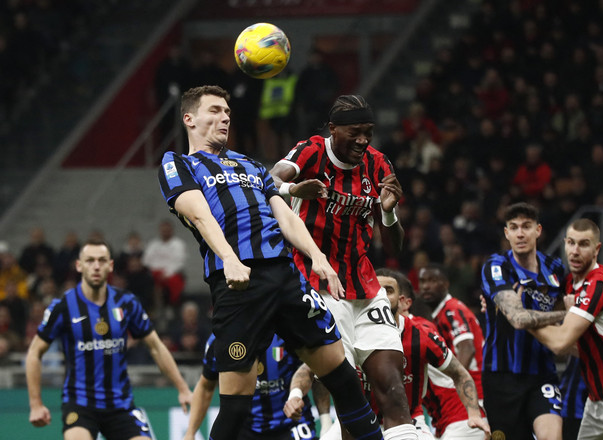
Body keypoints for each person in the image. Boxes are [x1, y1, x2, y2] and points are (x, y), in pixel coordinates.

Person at [158, 85, 382, 440]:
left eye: (227, 111)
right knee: (236, 407)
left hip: (286, 277)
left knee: (344, 379)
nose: (225, 117)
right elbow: (199, 215)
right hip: (238, 285)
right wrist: (229, 258)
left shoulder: (251, 164)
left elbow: (285, 216)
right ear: (189, 119)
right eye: (214, 110)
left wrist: (318, 257)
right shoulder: (179, 164)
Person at [270, 95, 416, 439]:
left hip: (365, 287)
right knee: (351, 394)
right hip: (317, 284)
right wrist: (294, 189)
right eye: (355, 132)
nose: (363, 140)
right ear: (333, 129)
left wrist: (389, 212)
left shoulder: (379, 165)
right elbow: (269, 181)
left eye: (368, 132)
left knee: (393, 389)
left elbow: (394, 247)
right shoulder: (310, 151)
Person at [25, 239, 192, 440]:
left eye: (102, 260)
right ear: (79, 265)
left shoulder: (127, 302)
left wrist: (183, 388)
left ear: (110, 265)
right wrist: (35, 404)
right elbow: (35, 352)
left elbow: (156, 346)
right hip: (80, 404)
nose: (96, 266)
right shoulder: (63, 307)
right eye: (90, 261)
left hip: (120, 405)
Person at [528, 218, 603, 439]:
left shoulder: (598, 285)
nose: (575, 251)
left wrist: (523, 320)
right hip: (596, 400)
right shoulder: (572, 283)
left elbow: (560, 344)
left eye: (583, 244)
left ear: (597, 249)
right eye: (571, 243)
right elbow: (577, 347)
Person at [479, 202, 567, 440]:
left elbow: (564, 323)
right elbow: (518, 319)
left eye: (526, 226)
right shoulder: (496, 266)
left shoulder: (556, 269)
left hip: (542, 372)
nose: (520, 233)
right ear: (506, 233)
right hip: (500, 376)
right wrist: (566, 313)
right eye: (514, 227)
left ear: (538, 230)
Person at [378, 268, 490, 440]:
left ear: (403, 302)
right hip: (441, 419)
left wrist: (473, 410)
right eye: (422, 282)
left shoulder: (425, 330)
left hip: (458, 413)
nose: (426, 287)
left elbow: (464, 357)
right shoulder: (365, 332)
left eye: (389, 292)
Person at [184, 333, 325, 440]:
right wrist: (190, 433)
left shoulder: (290, 330)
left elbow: (313, 372)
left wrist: (325, 421)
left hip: (293, 424)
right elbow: (206, 387)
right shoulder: (222, 338)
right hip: (246, 428)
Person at [416, 264, 484, 402]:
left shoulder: (452, 309)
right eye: (422, 281)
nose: (426, 286)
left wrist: (454, 387)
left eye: (432, 281)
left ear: (446, 284)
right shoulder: (441, 314)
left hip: (475, 389)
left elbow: (467, 348)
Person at [142, 219, 187, 307]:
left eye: (167, 230)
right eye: (163, 230)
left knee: (175, 282)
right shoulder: (153, 244)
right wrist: (157, 271)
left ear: (171, 230)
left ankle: (171, 305)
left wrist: (166, 274)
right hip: (155, 273)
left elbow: (179, 262)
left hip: (171, 274)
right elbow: (146, 261)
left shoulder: (178, 244)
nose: (165, 232)